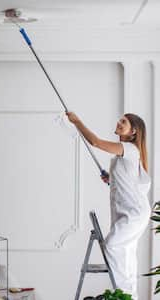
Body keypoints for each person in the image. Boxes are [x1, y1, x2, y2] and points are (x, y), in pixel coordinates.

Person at [66, 111, 151, 300]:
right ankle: (130, 296)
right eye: (120, 120)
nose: (119, 123)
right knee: (126, 253)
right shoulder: (124, 154)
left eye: (124, 122)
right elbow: (126, 182)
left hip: (134, 213)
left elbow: (95, 142)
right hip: (128, 212)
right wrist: (111, 180)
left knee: (112, 245)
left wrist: (77, 122)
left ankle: (122, 294)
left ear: (133, 131)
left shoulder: (128, 149)